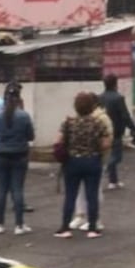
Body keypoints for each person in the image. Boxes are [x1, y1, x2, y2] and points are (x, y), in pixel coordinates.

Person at [55, 92, 112, 239]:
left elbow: (59, 141)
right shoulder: (97, 123)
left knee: (71, 195)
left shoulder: (68, 123)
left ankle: (65, 227)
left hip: (73, 162)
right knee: (92, 194)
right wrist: (96, 149)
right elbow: (106, 143)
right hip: (92, 161)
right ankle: (93, 227)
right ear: (92, 106)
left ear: (76, 106)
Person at [0, 84, 35, 235]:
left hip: (0, 155)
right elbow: (30, 136)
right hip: (20, 155)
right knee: (17, 189)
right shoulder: (24, 116)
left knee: (1, 189)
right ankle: (19, 225)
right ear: (18, 99)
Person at [100, 74, 135, 189]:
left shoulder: (99, 97)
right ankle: (105, 169)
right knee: (117, 156)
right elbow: (125, 116)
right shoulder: (118, 98)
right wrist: (133, 128)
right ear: (115, 84)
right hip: (116, 130)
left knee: (110, 154)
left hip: (103, 130)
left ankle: (113, 181)